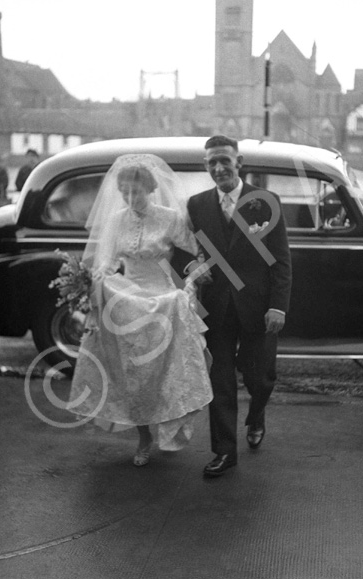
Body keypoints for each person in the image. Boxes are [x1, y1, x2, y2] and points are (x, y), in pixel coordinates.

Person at [68, 154, 213, 466]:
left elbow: (197, 250)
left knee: (162, 372)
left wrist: (194, 275)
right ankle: (144, 436)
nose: (131, 198)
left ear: (150, 189)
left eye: (136, 191)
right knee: (132, 373)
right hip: (128, 300)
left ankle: (170, 424)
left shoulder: (169, 218)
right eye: (125, 192)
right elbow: (107, 260)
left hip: (162, 298)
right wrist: (98, 277)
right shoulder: (116, 220)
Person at [186, 135, 292, 477]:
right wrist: (192, 268)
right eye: (211, 163)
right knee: (220, 381)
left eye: (224, 161)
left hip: (258, 308)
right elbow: (185, 250)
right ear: (206, 167)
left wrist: (278, 306)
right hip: (215, 308)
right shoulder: (197, 205)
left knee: (260, 377)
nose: (218, 168)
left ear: (239, 162)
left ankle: (257, 415)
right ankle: (225, 452)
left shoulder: (266, 202)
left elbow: (280, 260)